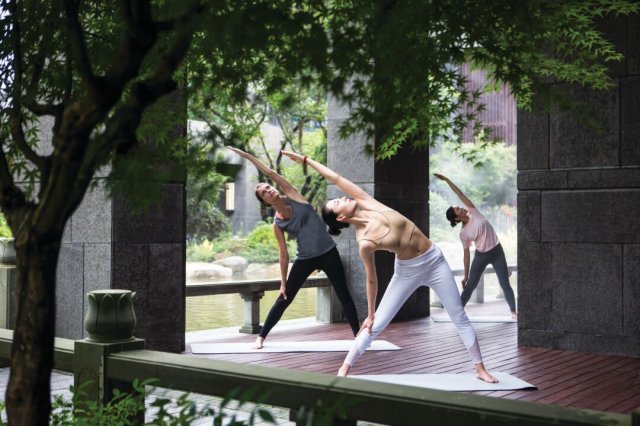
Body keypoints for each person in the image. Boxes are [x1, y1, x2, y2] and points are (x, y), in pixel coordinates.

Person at [281, 150, 497, 383]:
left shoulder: (367, 202)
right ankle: (344, 368)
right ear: (341, 218)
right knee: (377, 324)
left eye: (340, 197)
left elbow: (336, 178)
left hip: (435, 261)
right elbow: (371, 279)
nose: (342, 198)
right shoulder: (364, 242)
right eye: (337, 202)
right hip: (407, 271)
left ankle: (480, 369)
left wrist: (305, 160)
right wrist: (370, 313)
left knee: (459, 315)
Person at [227, 147, 360, 349]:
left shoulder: (293, 194)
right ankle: (261, 337)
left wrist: (246, 156)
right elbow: (283, 254)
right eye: (264, 192)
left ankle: (358, 336)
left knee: (343, 294)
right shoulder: (277, 224)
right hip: (305, 259)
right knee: (285, 297)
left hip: (328, 253)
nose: (269, 189)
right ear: (265, 202)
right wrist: (282, 282)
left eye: (268, 187)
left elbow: (271, 173)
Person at [434, 173, 517, 319]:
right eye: (458, 209)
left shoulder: (473, 211)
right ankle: (457, 314)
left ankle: (513, 312)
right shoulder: (463, 234)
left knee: (504, 283)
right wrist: (466, 276)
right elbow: (466, 256)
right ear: (457, 218)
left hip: (497, 251)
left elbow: (459, 193)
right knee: (470, 285)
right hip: (481, 255)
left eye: (459, 206)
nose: (461, 207)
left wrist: (447, 179)